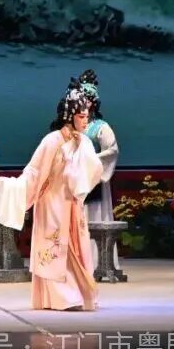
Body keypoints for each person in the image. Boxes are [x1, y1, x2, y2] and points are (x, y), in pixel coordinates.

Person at [19, 84, 103, 310]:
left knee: (76, 247)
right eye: (81, 116)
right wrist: (17, 188)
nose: (85, 121)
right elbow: (34, 170)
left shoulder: (84, 142)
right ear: (69, 116)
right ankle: (62, 298)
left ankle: (78, 294)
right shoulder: (52, 140)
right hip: (51, 202)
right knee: (55, 248)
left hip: (72, 203)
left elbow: (93, 171)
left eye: (87, 116)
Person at [77, 69, 122, 271]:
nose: (84, 104)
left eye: (87, 100)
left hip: (94, 180)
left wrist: (91, 161)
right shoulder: (72, 126)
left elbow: (112, 151)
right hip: (76, 180)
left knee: (93, 218)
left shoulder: (101, 127)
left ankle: (96, 263)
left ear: (93, 103)